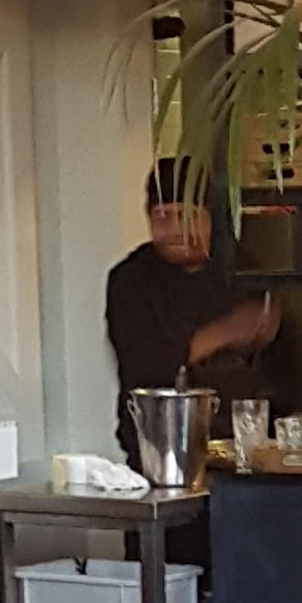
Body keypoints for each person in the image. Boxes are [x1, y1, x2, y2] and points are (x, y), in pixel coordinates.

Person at [104, 160, 280, 464]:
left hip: (245, 454)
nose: (176, 229)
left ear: (212, 219)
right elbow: (146, 366)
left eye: (187, 215)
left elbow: (284, 367)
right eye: (163, 216)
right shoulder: (130, 279)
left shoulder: (247, 273)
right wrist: (225, 333)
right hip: (157, 453)